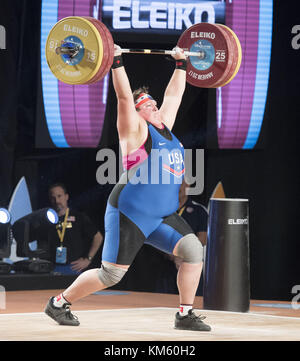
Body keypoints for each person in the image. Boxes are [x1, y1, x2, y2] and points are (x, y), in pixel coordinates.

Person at [44, 45, 211, 331]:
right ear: (136, 114)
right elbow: (123, 97)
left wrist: (181, 64)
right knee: (111, 275)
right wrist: (116, 60)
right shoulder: (134, 133)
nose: (154, 105)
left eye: (153, 102)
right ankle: (59, 303)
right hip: (129, 214)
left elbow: (174, 95)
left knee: (195, 252)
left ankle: (184, 314)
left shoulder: (164, 127)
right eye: (146, 104)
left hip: (162, 215)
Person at [45, 183, 103, 274]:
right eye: (53, 197)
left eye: (59, 196)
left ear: (66, 197)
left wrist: (88, 259)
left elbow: (98, 237)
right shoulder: (47, 219)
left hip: (73, 268)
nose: (57, 200)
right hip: (52, 267)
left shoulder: (78, 217)